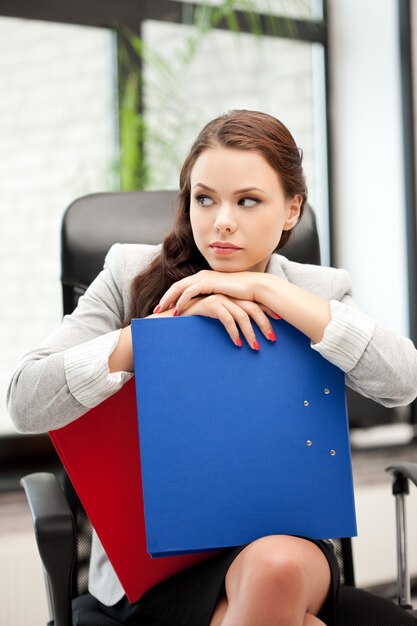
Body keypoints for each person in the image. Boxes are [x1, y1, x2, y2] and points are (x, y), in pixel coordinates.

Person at [7, 109, 417, 626]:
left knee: (276, 564)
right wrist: (153, 338)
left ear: (292, 210)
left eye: (248, 201)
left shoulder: (319, 290)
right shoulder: (129, 273)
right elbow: (25, 400)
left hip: (286, 546)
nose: (222, 220)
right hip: (154, 566)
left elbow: (403, 382)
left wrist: (269, 290)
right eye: (205, 199)